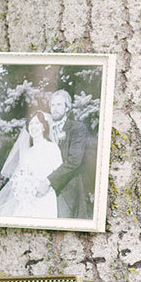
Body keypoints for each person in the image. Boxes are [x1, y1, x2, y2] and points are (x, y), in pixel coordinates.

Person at [0, 110, 63, 218]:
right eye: (31, 124)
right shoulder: (27, 153)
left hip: (46, 198)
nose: (33, 127)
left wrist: (45, 185)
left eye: (37, 123)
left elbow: (60, 173)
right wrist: (23, 190)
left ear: (43, 127)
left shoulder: (52, 148)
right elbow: (20, 177)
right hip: (28, 201)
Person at [36, 89, 90, 219]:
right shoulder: (45, 128)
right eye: (53, 105)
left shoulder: (77, 128)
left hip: (66, 190)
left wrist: (48, 181)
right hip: (43, 191)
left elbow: (74, 161)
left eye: (59, 105)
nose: (55, 108)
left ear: (67, 108)